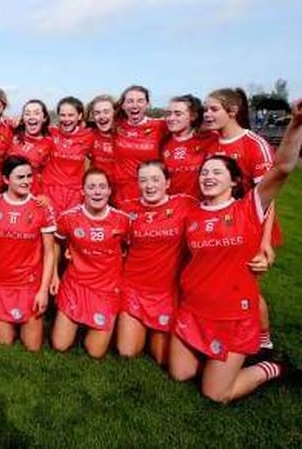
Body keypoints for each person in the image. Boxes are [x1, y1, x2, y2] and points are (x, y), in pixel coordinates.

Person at [168, 98, 302, 402]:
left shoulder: (248, 208)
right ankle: (220, 358)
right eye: (204, 172)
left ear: (234, 180)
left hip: (232, 317)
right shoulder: (190, 211)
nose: (209, 176)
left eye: (217, 172)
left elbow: (282, 168)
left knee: (216, 394)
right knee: (179, 373)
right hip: (193, 310)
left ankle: (272, 367)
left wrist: (296, 124)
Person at [203, 88, 277, 351]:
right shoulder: (211, 142)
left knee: (246, 284)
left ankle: (264, 341)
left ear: (232, 111)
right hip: (218, 224)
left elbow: (269, 197)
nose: (206, 114)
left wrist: (264, 242)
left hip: (250, 226)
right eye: (205, 109)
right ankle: (220, 332)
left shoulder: (254, 144)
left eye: (213, 109)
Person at [0, 156, 56, 350]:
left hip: (29, 285)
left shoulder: (42, 208)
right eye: (20, 177)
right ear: (6, 180)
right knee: (5, 344)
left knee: (33, 348)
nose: (26, 181)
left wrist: (43, 291)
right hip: (0, 284)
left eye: (29, 176)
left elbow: (49, 253)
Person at [116, 161, 195, 365]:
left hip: (166, 292)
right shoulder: (127, 209)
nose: (149, 185)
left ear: (167, 182)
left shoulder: (185, 204)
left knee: (163, 359)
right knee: (127, 352)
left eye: (155, 179)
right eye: (143, 180)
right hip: (133, 287)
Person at [51, 168, 130, 358]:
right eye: (92, 187)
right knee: (60, 345)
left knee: (95, 353)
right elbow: (55, 242)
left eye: (102, 187)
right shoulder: (68, 218)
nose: (97, 191)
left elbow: (129, 247)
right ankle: (74, 323)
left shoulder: (122, 220)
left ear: (110, 191)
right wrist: (55, 274)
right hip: (75, 285)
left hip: (106, 289)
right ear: (82, 191)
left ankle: (93, 326)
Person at [112, 85, 168, 205]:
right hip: (123, 193)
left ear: (147, 104)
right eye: (130, 101)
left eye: (140, 101)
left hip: (150, 189)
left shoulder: (160, 126)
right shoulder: (115, 126)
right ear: (123, 105)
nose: (135, 105)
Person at [42, 96, 94, 215]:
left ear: (79, 116)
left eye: (71, 115)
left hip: (74, 192)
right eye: (63, 115)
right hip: (50, 189)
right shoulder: (50, 132)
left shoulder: (89, 136)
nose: (66, 119)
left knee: (69, 229)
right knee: (49, 229)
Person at [162, 95, 215, 198]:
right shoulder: (162, 142)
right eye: (168, 114)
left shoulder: (209, 139)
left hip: (200, 207)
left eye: (178, 114)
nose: (171, 118)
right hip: (171, 208)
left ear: (193, 116)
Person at [9, 99, 53, 195]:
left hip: (32, 195)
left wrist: (44, 195)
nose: (31, 117)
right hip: (8, 193)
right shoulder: (12, 133)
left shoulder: (50, 142)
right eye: (27, 114)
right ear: (23, 118)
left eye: (36, 113)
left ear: (44, 118)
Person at [87, 95, 117, 179]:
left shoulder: (128, 134)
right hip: (98, 187)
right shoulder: (88, 135)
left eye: (106, 112)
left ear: (115, 113)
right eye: (97, 113)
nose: (102, 117)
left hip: (122, 188)